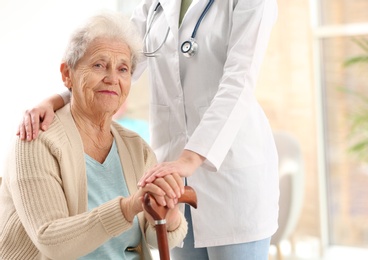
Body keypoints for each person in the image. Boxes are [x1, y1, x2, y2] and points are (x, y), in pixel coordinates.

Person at [17, 0, 280, 259]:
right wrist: (57, 100)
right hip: (172, 176)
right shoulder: (154, 5)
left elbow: (239, 82)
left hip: (229, 171)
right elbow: (116, 67)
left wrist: (190, 159)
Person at [1, 12, 188, 260]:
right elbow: (51, 241)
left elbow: (153, 237)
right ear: (67, 74)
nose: (112, 79)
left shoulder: (137, 148)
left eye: (123, 69)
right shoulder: (36, 140)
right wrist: (128, 206)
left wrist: (169, 214)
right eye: (99, 65)